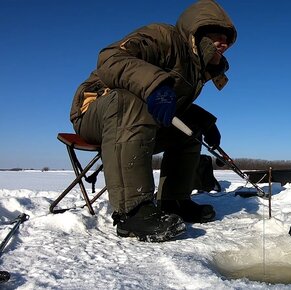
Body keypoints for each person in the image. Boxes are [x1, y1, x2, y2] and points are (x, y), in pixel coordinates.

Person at [69, 0, 237, 242]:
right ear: (196, 32)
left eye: (227, 38)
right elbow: (110, 58)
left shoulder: (198, 68)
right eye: (216, 34)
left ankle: (174, 201)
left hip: (138, 122)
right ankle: (133, 211)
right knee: (131, 100)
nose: (224, 42)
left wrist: (205, 122)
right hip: (96, 109)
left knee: (190, 130)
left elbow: (175, 107)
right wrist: (156, 85)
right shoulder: (163, 37)